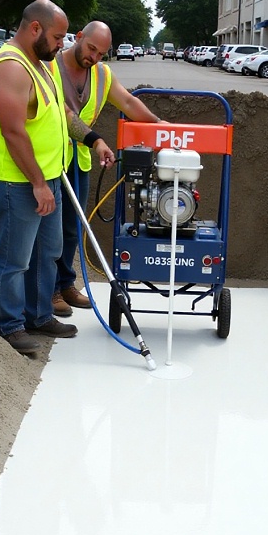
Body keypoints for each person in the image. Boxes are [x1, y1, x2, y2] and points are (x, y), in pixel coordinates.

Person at [0, 0, 115, 354]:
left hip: (48, 177)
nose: (62, 44)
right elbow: (13, 133)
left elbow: (65, 115)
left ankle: (38, 315)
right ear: (35, 29)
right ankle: (9, 324)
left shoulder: (43, 65)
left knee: (48, 251)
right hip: (17, 182)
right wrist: (38, 184)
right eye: (58, 37)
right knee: (14, 258)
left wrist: (93, 139)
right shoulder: (11, 68)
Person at [52, 20, 163, 317]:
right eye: (91, 49)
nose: (94, 58)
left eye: (101, 54)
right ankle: (49, 291)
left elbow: (127, 101)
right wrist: (97, 141)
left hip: (79, 161)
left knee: (73, 228)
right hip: (51, 160)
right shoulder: (50, 67)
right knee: (50, 230)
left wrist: (158, 125)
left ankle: (66, 284)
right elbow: (63, 115)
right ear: (78, 38)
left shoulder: (101, 74)